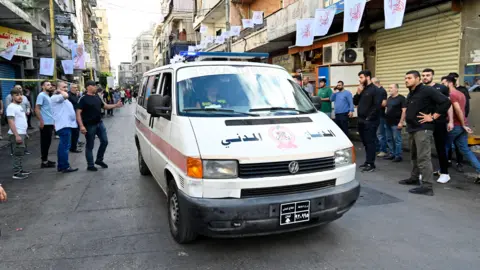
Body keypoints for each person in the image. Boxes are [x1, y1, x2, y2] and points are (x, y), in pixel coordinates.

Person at [399, 70, 450, 196]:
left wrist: (433, 117)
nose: (406, 80)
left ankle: (427, 186)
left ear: (417, 79)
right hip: (412, 128)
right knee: (414, 156)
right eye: (405, 78)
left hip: (423, 128)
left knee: (423, 157)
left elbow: (446, 102)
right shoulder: (411, 93)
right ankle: (414, 178)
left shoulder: (427, 90)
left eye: (409, 78)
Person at [77, 81, 123, 171]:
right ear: (88, 87)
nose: (96, 87)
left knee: (105, 141)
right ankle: (90, 165)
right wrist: (81, 126)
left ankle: (99, 160)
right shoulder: (83, 98)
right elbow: (78, 113)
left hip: (99, 123)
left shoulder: (97, 96)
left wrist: (116, 105)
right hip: (89, 125)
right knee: (90, 145)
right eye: (94, 86)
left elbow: (105, 106)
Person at [442, 76, 480, 184]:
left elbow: (458, 110)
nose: (442, 85)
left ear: (450, 83)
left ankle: (442, 170)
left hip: (456, 126)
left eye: (443, 83)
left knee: (445, 147)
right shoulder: (461, 94)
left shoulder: (452, 95)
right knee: (465, 150)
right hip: (461, 125)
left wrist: (463, 124)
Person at [420, 68, 452, 183]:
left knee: (440, 147)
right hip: (425, 122)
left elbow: (449, 105)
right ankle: (425, 172)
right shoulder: (420, 89)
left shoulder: (441, 88)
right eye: (423, 75)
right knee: (424, 149)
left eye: (428, 75)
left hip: (439, 122)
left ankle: (444, 173)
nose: (425, 77)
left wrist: (451, 121)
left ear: (432, 76)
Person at [353, 70, 383, 172]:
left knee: (370, 142)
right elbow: (355, 102)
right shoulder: (363, 89)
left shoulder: (376, 90)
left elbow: (377, 106)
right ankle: (367, 161)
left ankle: (371, 164)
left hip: (370, 121)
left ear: (368, 77)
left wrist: (368, 119)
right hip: (361, 120)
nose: (360, 80)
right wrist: (358, 93)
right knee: (365, 142)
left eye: (361, 78)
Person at [51, 81, 79, 173]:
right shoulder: (56, 97)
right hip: (63, 125)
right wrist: (59, 91)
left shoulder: (61, 97)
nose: (66, 89)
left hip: (67, 125)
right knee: (64, 146)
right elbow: (66, 95)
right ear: (58, 88)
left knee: (65, 146)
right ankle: (64, 166)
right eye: (63, 87)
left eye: (66, 87)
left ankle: (62, 165)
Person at [7, 88, 31, 179]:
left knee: (21, 153)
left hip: (22, 133)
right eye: (17, 95)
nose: (20, 96)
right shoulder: (11, 107)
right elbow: (11, 121)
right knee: (17, 154)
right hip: (16, 134)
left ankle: (20, 170)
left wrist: (25, 133)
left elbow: (21, 120)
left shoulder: (19, 106)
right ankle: (16, 173)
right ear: (12, 96)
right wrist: (16, 135)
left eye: (21, 94)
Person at [35, 80, 56, 168]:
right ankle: (44, 162)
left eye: (50, 84)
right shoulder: (41, 95)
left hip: (49, 122)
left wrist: (53, 122)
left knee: (48, 143)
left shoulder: (48, 96)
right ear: (43, 87)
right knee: (45, 143)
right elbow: (37, 108)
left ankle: (46, 160)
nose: (50, 86)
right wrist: (41, 121)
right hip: (45, 123)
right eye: (47, 85)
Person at [384, 84, 406, 162]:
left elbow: (404, 111)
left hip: (396, 122)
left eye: (391, 88)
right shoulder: (389, 98)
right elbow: (387, 109)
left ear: (396, 89)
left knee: (397, 140)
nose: (389, 89)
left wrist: (401, 122)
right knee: (389, 139)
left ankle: (398, 155)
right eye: (389, 88)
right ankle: (392, 154)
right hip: (388, 122)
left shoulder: (401, 98)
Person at [372, 77, 388, 157]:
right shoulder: (376, 91)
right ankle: (377, 149)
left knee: (380, 134)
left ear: (376, 83)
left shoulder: (382, 91)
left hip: (380, 115)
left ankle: (383, 150)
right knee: (375, 133)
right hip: (375, 115)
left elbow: (384, 103)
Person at [68, 84, 82, 153]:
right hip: (71, 117)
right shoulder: (69, 95)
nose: (76, 89)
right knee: (74, 132)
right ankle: (73, 147)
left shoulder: (75, 95)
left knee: (76, 133)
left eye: (76, 87)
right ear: (71, 88)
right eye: (74, 87)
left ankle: (74, 146)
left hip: (76, 116)